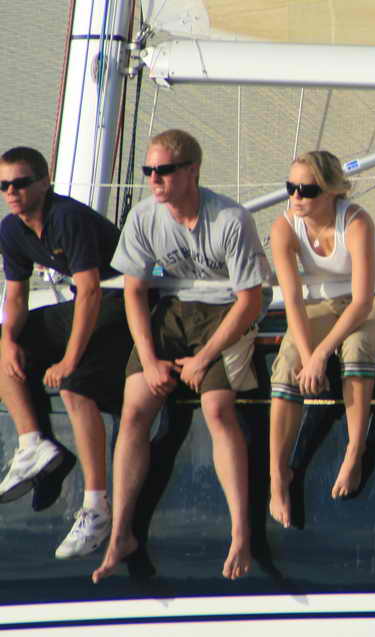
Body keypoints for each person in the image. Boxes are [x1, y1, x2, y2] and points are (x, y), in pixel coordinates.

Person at [92, 129, 270, 582]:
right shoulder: (144, 217)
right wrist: (149, 358)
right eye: (148, 171)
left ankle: (240, 534)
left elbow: (250, 300)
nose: (154, 179)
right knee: (135, 410)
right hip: (172, 310)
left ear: (192, 171)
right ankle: (121, 534)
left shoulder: (230, 219)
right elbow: (134, 291)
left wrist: (204, 358)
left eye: (164, 171)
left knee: (218, 410)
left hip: (226, 310)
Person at [0, 146, 131, 559]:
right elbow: (16, 295)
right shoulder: (11, 229)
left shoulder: (67, 217)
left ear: (44, 182)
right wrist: (8, 340)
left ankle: (96, 507)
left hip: (125, 302)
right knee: (2, 344)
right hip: (87, 303)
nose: (11, 192)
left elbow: (90, 291)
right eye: (3, 185)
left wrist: (69, 360)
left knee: (75, 386)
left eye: (21, 183)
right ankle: (33, 444)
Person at [268, 151, 375, 527]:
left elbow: (362, 303)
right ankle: (278, 475)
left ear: (331, 191)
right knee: (287, 361)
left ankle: (354, 451)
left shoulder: (355, 222)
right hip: (324, 305)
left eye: (307, 190)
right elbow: (293, 301)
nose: (296, 196)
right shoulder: (284, 227)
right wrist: (306, 354)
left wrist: (321, 355)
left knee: (357, 346)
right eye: (291, 187)